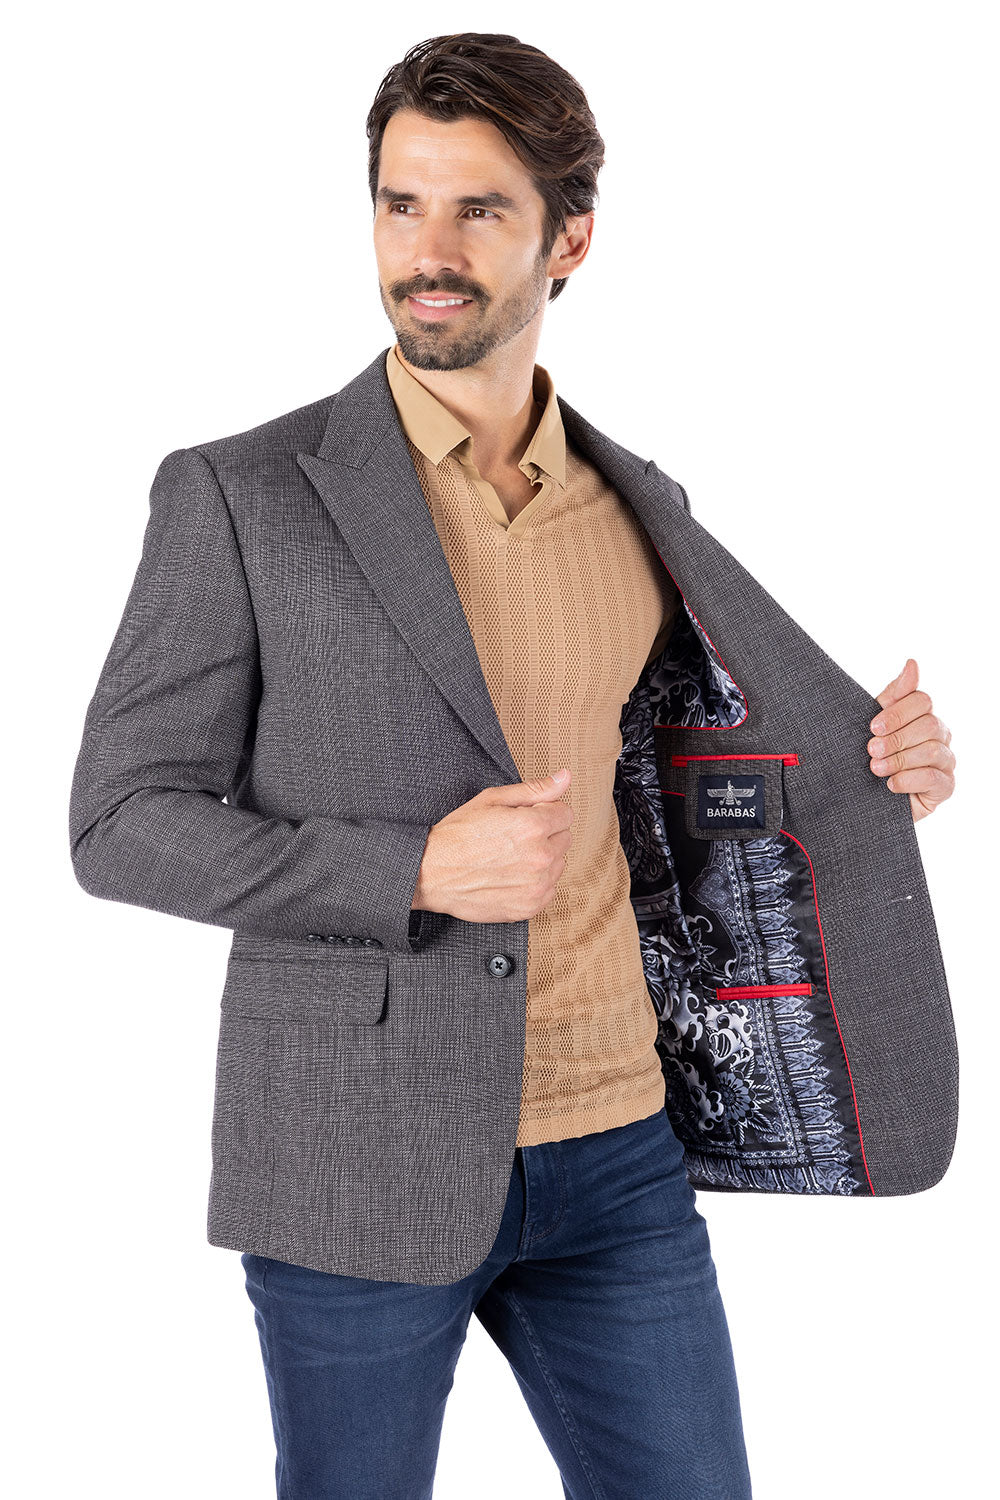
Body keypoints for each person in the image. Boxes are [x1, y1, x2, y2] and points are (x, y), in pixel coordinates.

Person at [69, 32, 956, 1500]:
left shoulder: (637, 506)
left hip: (618, 1150)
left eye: (478, 209)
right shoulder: (239, 495)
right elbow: (118, 821)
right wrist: (414, 868)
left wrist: (873, 771)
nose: (427, 251)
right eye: (399, 204)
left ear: (571, 239)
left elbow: (683, 774)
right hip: (352, 1164)